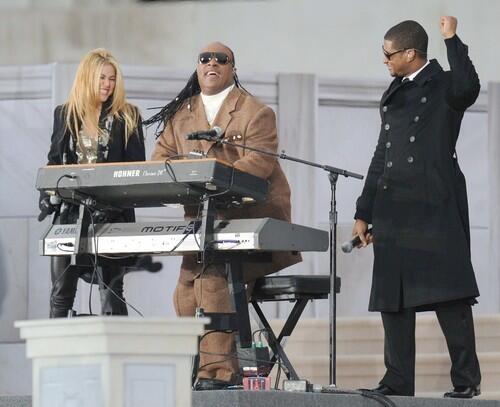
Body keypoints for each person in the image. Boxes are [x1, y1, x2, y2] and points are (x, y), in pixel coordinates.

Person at [148, 41, 301, 390]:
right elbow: (160, 162)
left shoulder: (255, 112)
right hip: (204, 228)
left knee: (213, 280)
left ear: (233, 68)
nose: (212, 63)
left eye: (221, 59)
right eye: (205, 59)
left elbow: (258, 165)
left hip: (254, 225)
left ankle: (219, 374)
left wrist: (213, 180)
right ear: (197, 68)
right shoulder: (181, 115)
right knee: (186, 288)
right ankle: (201, 368)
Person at [352, 17, 481, 398]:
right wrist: (364, 211)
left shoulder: (444, 84)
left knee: (450, 295)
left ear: (411, 53)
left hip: (435, 200)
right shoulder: (393, 93)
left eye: (389, 54)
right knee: (394, 300)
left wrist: (452, 39)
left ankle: (466, 382)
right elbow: (382, 154)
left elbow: (469, 88)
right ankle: (397, 381)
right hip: (394, 204)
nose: (385, 60)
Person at [39, 48, 145, 318]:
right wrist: (46, 192)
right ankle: (56, 355)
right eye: (101, 78)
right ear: (87, 78)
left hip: (112, 216)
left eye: (112, 78)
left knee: (111, 290)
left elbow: (137, 171)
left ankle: (118, 354)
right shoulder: (65, 114)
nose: (108, 84)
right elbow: (54, 162)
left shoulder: (128, 116)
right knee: (60, 293)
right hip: (69, 215)